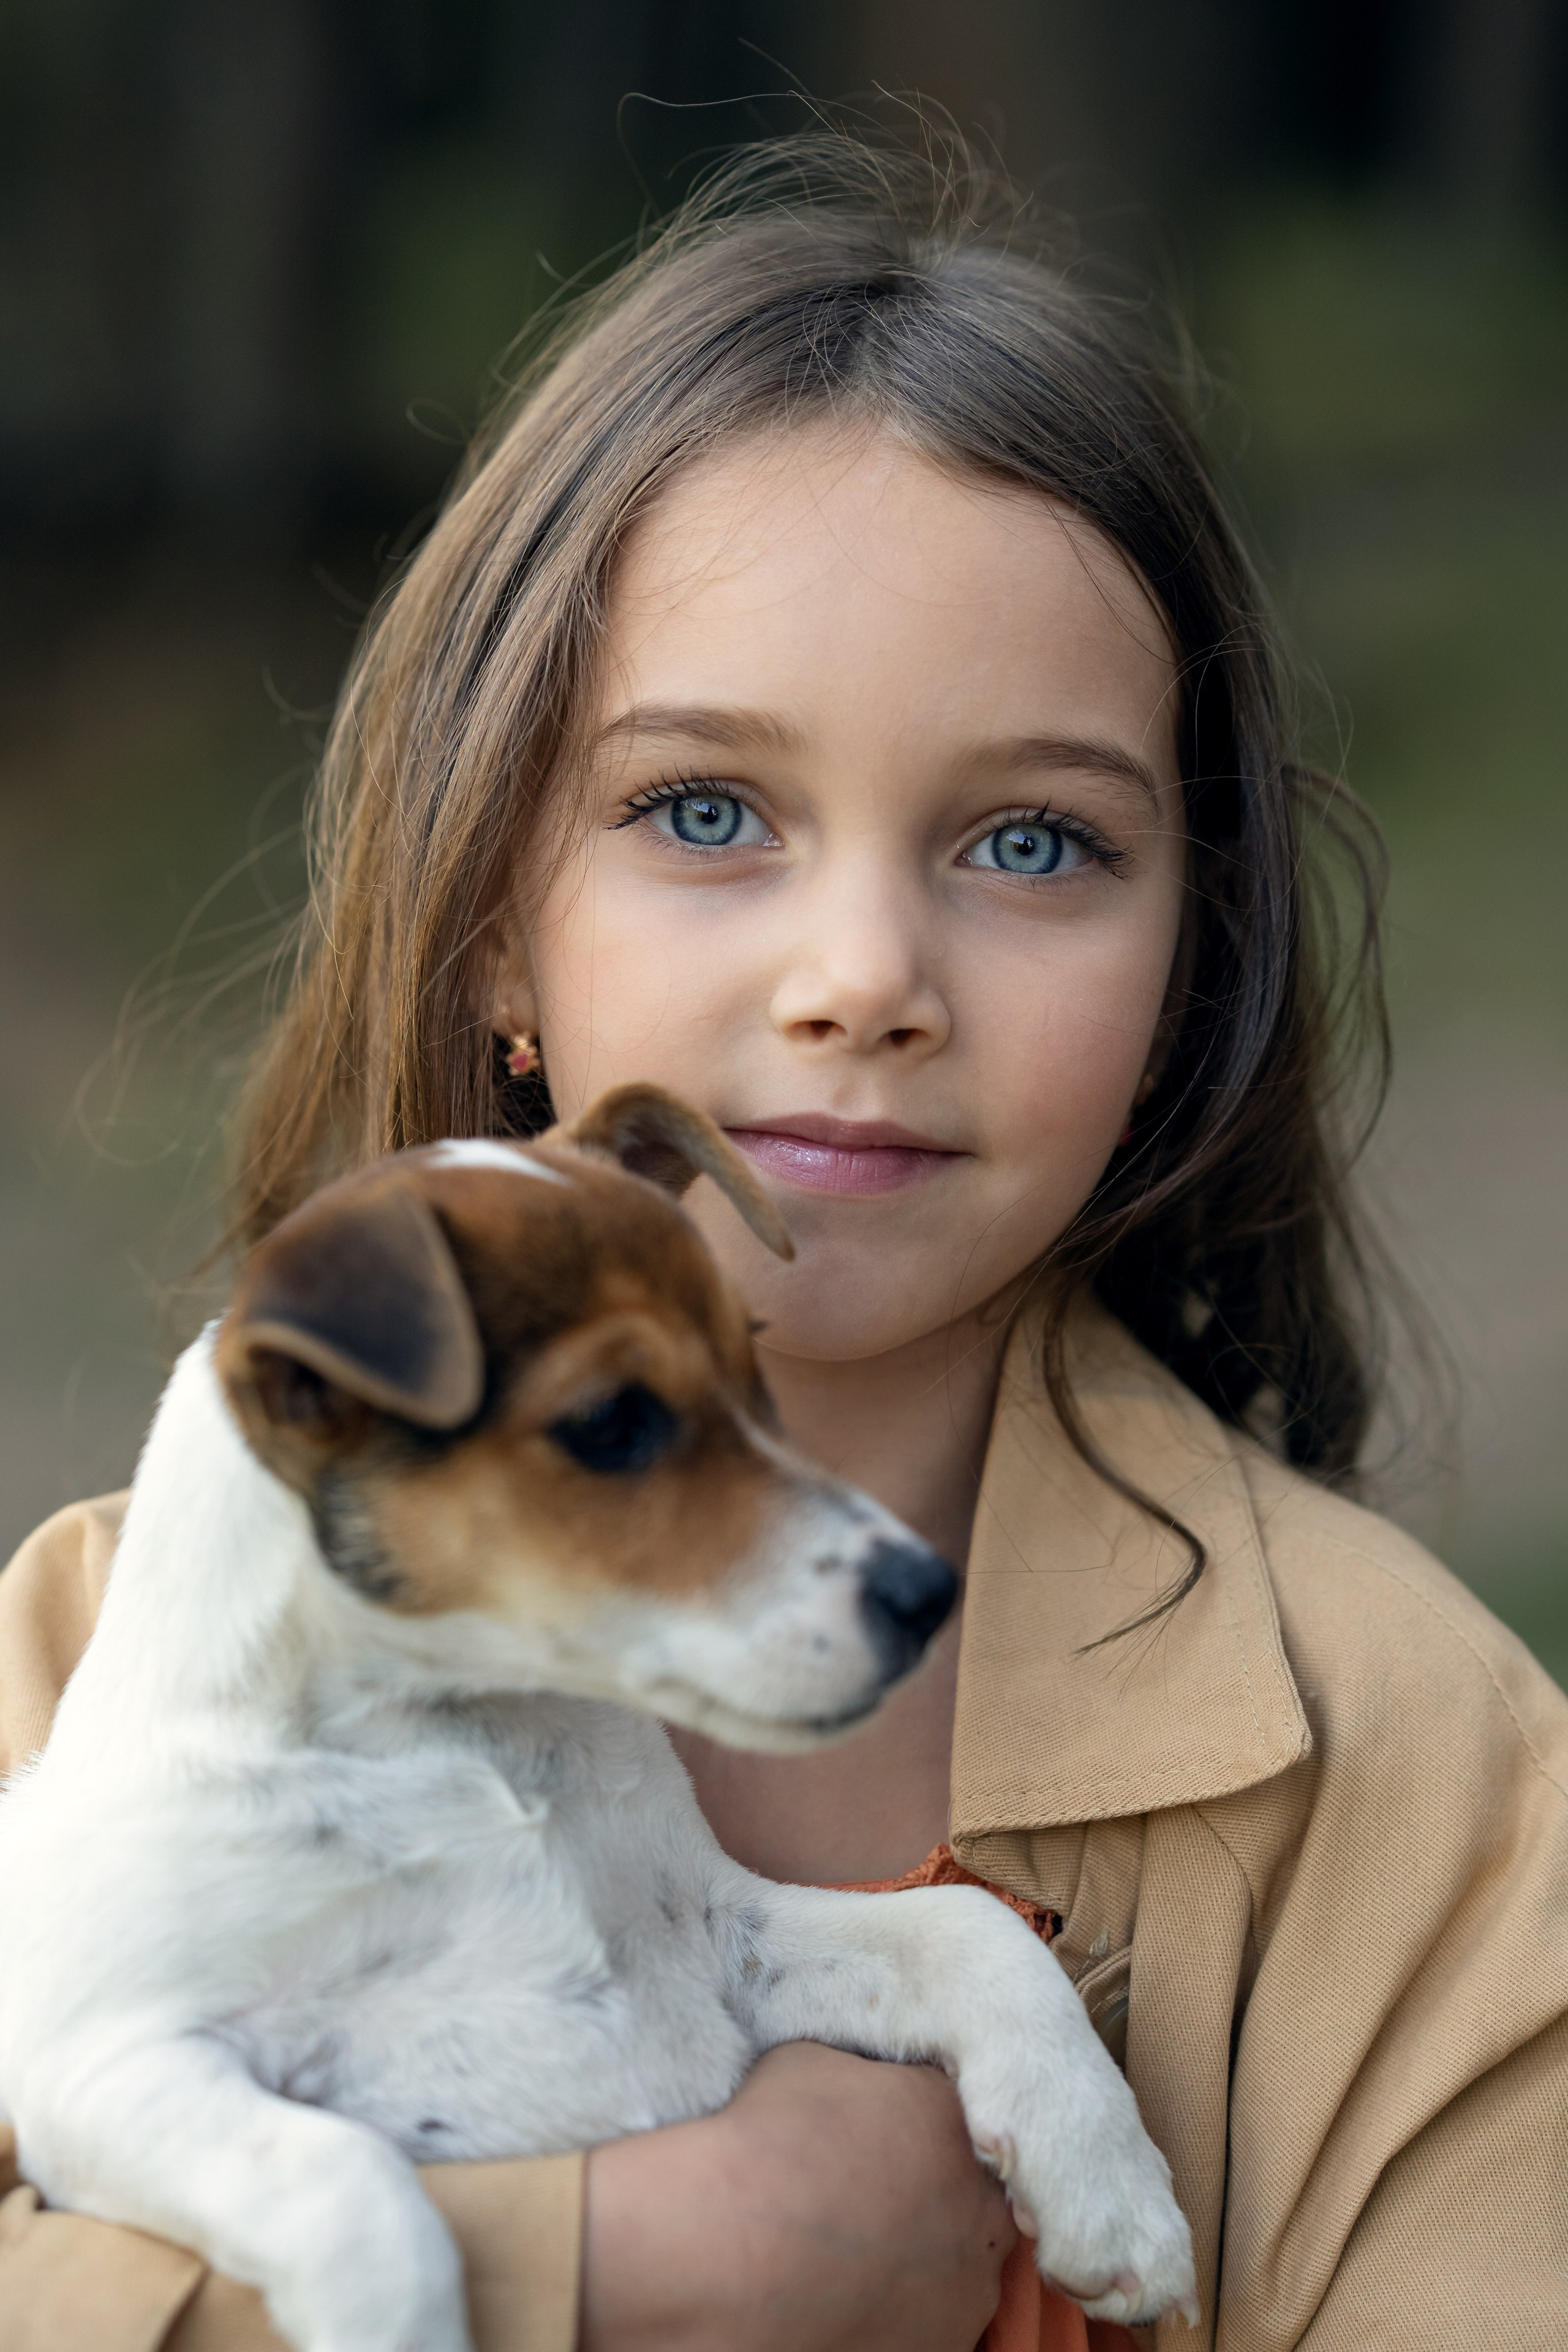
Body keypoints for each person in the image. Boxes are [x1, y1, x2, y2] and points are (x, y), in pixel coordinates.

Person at [1, 133, 1564, 2352]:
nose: (864, 974)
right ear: (489, 931)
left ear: (1191, 962)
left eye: (1034, 838)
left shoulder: (1422, 1780)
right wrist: (619, 2274)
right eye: (704, 812)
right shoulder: (66, 1667)